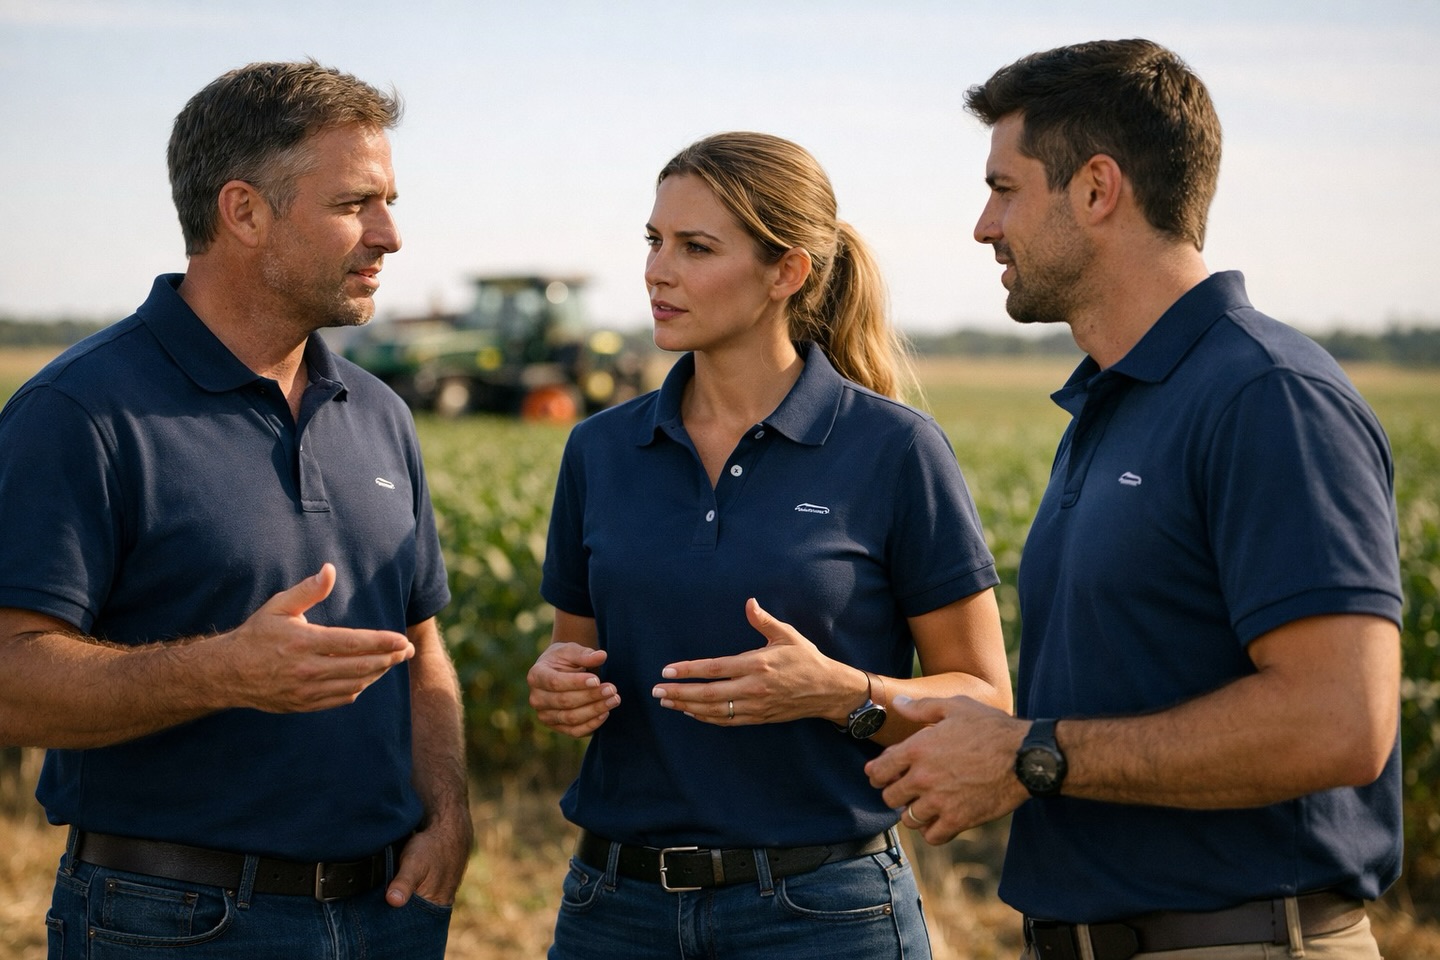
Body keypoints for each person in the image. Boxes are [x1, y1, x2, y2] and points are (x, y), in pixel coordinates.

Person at [866, 38, 1403, 960]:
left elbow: (1341, 721)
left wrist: (1030, 755)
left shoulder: (1265, 395)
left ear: (1096, 189)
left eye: (1004, 188)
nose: (983, 226)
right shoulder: (1113, 401)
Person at [0, 61, 471, 959]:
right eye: (355, 204)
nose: (391, 235)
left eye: (390, 201)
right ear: (245, 212)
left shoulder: (379, 411)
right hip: (173, 921)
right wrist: (223, 672)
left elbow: (422, 649)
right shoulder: (80, 411)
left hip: (391, 915)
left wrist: (448, 814)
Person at [526, 131, 1011, 959]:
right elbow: (574, 659)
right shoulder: (599, 451)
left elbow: (987, 703)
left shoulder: (894, 450)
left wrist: (838, 692)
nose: (657, 269)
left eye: (695, 247)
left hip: (824, 914)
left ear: (787, 272)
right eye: (654, 240)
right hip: (615, 910)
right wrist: (558, 686)